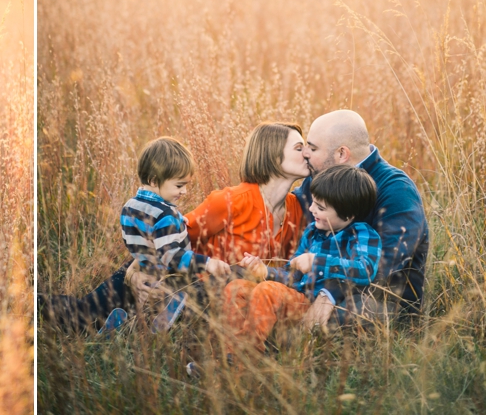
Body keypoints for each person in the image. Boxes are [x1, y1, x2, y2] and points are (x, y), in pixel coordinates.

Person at [39, 122, 309, 332]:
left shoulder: (299, 210)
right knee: (79, 314)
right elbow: (166, 237)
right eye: (299, 147)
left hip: (209, 302)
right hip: (170, 278)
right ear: (273, 157)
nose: (306, 152)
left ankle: (129, 327)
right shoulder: (229, 202)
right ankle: (26, 306)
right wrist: (134, 273)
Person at [223, 165, 381, 353]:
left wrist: (317, 262)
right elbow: (292, 275)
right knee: (236, 288)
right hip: (294, 297)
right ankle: (227, 354)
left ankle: (244, 355)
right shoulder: (313, 232)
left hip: (315, 305)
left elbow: (366, 270)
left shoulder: (361, 234)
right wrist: (265, 271)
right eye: (313, 202)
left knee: (267, 290)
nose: (312, 209)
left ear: (348, 215)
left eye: (320, 207)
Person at [294, 109, 428, 324]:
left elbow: (384, 263)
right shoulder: (320, 177)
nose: (306, 153)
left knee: (336, 316)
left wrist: (331, 291)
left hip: (382, 298)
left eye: (313, 147)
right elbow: (291, 210)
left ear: (341, 154)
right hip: (317, 285)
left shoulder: (396, 190)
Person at [121, 137, 230, 294]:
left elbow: (140, 237)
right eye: (179, 185)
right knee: (212, 292)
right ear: (154, 181)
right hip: (173, 282)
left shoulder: (129, 206)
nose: (184, 191)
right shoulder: (165, 215)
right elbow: (171, 256)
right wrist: (207, 263)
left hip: (147, 275)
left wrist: (176, 222)